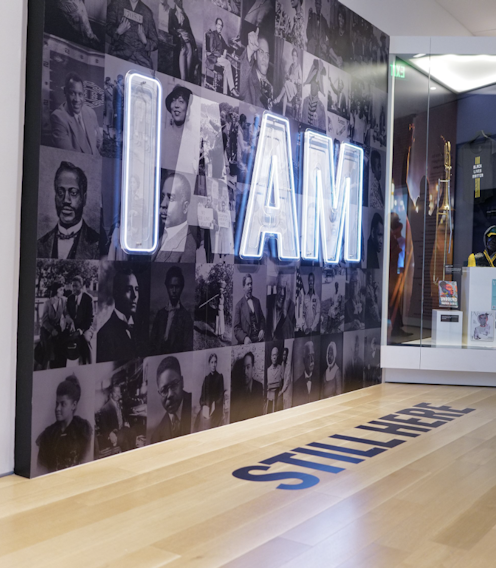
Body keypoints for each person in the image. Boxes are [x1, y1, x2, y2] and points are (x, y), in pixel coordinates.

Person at [37, 161, 100, 260]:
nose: (66, 200)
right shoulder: (40, 245)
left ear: (84, 198)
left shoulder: (97, 243)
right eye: (60, 192)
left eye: (73, 193)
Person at [36, 375, 92, 473]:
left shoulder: (83, 429)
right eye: (57, 403)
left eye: (63, 404)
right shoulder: (48, 435)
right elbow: (41, 469)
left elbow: (88, 461)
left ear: (73, 405)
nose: (57, 408)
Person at [51, 72, 101, 154]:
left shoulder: (91, 113)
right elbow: (69, 155)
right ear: (65, 92)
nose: (77, 99)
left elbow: (99, 143)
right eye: (72, 93)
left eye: (80, 94)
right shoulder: (58, 117)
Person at [97, 269, 140, 363]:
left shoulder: (140, 329)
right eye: (129, 289)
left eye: (136, 289)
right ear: (115, 293)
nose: (135, 296)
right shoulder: (104, 334)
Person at [155, 171, 198, 262]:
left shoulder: (188, 249)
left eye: (170, 198)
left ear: (185, 207)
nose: (163, 204)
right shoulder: (162, 235)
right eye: (163, 197)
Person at [150, 265, 193, 355]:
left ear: (181, 288)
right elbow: (152, 343)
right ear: (167, 287)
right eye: (171, 286)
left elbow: (187, 348)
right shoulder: (160, 314)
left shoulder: (186, 317)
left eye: (177, 287)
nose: (173, 291)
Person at [107, 0, 158, 69]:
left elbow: (155, 43)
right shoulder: (116, 4)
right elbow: (107, 26)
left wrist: (145, 40)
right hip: (119, 54)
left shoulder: (147, 12)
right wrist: (118, 31)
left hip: (141, 61)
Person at [162, 84, 201, 175]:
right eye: (173, 101)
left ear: (187, 108)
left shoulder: (194, 139)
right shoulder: (162, 135)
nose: (176, 105)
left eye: (181, 101)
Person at [151, 356, 192, 442]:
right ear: (159, 393)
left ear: (182, 382)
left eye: (174, 385)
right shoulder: (156, 438)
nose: (170, 394)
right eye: (164, 390)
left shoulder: (196, 403)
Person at [239, 30, 273, 110]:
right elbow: (240, 92)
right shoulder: (248, 76)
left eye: (267, 54)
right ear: (254, 55)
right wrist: (250, 49)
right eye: (261, 52)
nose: (265, 58)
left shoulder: (271, 87)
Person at [206, 18, 238, 97]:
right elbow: (212, 49)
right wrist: (220, 55)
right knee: (227, 63)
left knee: (227, 69)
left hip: (219, 58)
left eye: (221, 25)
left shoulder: (220, 37)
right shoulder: (213, 34)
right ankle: (232, 88)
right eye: (219, 24)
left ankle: (225, 93)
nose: (220, 27)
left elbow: (226, 46)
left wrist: (233, 45)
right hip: (213, 57)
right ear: (216, 25)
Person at [97, 384, 133, 454]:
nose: (117, 394)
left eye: (119, 392)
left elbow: (122, 417)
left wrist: (125, 422)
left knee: (133, 433)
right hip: (113, 433)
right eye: (115, 392)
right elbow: (103, 427)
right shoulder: (105, 408)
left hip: (122, 430)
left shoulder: (119, 404)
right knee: (125, 442)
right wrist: (110, 434)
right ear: (111, 393)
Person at [39, 282, 67, 369]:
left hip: (58, 329)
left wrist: (69, 321)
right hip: (47, 330)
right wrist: (51, 330)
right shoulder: (47, 303)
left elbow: (66, 314)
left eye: (63, 289)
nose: (63, 292)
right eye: (61, 290)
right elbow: (44, 321)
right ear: (56, 291)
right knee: (50, 351)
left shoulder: (63, 301)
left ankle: (61, 367)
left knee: (62, 349)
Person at [66, 276, 94, 365]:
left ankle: (89, 365)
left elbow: (90, 319)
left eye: (76, 286)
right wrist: (70, 324)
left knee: (85, 339)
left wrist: (80, 330)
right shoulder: (69, 298)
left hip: (86, 328)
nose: (73, 288)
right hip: (73, 328)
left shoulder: (88, 299)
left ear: (81, 286)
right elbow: (68, 314)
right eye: (72, 286)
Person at [168, 0, 198, 81]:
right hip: (180, 42)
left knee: (188, 68)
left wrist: (195, 46)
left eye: (181, 1)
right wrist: (179, 35)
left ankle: (187, 80)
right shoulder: (172, 12)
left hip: (188, 42)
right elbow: (170, 29)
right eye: (178, 1)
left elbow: (190, 31)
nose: (180, 2)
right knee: (182, 74)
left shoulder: (185, 15)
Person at [230, 351, 264, 422]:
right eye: (243, 368)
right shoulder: (236, 391)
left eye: (248, 367)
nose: (245, 372)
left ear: (253, 368)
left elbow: (260, 413)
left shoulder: (259, 387)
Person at [233, 274, 266, 344]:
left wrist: (262, 330)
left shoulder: (257, 301)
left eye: (251, 284)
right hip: (247, 341)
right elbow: (236, 329)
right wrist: (244, 338)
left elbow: (262, 319)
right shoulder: (238, 306)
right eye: (248, 284)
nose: (250, 286)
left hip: (258, 340)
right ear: (243, 287)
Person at [197, 353, 225, 429]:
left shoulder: (219, 377)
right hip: (207, 408)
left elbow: (221, 395)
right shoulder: (206, 379)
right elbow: (202, 396)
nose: (214, 364)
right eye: (212, 362)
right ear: (209, 364)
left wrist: (215, 404)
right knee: (200, 420)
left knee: (214, 423)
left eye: (215, 362)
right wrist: (204, 405)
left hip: (216, 408)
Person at [274, 47, 302, 118]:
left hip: (295, 88)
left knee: (287, 83)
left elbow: (301, 81)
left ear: (297, 57)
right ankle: (283, 114)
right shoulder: (291, 66)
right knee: (286, 92)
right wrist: (287, 76)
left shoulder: (299, 67)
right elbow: (288, 76)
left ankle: (278, 98)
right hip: (289, 85)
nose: (294, 57)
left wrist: (294, 80)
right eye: (293, 55)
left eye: (295, 55)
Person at [266, 272, 296, 340]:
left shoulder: (291, 307)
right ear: (276, 287)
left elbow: (290, 336)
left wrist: (284, 312)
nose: (282, 293)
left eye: (284, 289)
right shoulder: (268, 300)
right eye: (280, 288)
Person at [301, 58, 326, 130]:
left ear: (318, 87)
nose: (313, 86)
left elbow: (323, 128)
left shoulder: (321, 107)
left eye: (315, 84)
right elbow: (302, 120)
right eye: (312, 83)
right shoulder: (305, 101)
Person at [292, 340, 320, 406]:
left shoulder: (319, 380)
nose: (312, 360)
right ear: (304, 361)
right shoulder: (297, 385)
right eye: (308, 357)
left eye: (313, 355)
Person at [329, 4, 350, 68]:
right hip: (334, 58)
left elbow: (347, 53)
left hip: (342, 61)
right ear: (337, 17)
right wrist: (337, 58)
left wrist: (341, 59)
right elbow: (330, 48)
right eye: (340, 17)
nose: (341, 20)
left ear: (345, 20)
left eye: (343, 18)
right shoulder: (335, 31)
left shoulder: (347, 35)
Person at [265, 346, 282, 413]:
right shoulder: (268, 370)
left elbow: (280, 384)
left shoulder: (280, 368)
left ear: (278, 356)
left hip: (278, 395)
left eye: (275, 355)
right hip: (270, 395)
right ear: (271, 357)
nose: (274, 357)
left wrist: (273, 385)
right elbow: (268, 385)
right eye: (273, 355)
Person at [113, 74, 125, 144]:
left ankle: (121, 140)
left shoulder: (123, 88)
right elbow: (114, 100)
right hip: (118, 109)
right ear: (119, 80)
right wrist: (115, 112)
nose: (123, 81)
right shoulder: (115, 88)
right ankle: (117, 140)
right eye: (122, 79)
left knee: (122, 125)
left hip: (123, 109)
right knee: (118, 126)